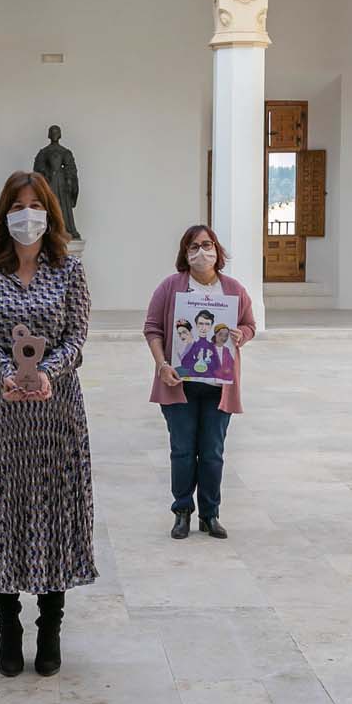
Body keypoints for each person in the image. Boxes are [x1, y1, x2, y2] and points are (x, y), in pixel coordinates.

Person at [0, 170, 94, 679]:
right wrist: (5, 375)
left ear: (49, 214)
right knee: (4, 510)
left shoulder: (68, 270)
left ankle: (51, 627)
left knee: (53, 511)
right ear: (4, 214)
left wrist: (47, 374)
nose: (27, 216)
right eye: (17, 206)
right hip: (0, 414)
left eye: (35, 206)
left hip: (55, 413)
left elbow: (78, 334)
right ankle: (8, 627)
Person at [143, 225, 257, 540]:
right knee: (182, 451)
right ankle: (181, 512)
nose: (201, 252)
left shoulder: (233, 290)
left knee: (212, 453)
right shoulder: (170, 288)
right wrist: (162, 364)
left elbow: (249, 325)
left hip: (219, 388)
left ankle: (210, 514)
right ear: (185, 253)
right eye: (193, 247)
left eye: (207, 245)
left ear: (217, 251)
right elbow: (152, 328)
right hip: (179, 384)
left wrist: (241, 335)